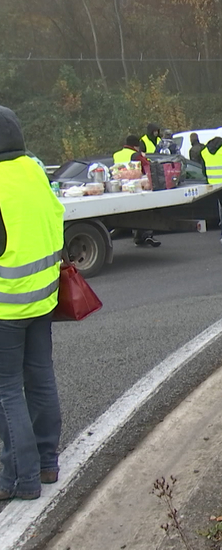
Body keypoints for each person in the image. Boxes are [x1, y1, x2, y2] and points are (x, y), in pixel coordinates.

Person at [0, 105, 65, 501]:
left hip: (6, 306)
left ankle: (17, 479)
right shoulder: (34, 171)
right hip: (43, 297)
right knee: (40, 378)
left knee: (7, 391)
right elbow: (57, 217)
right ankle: (45, 463)